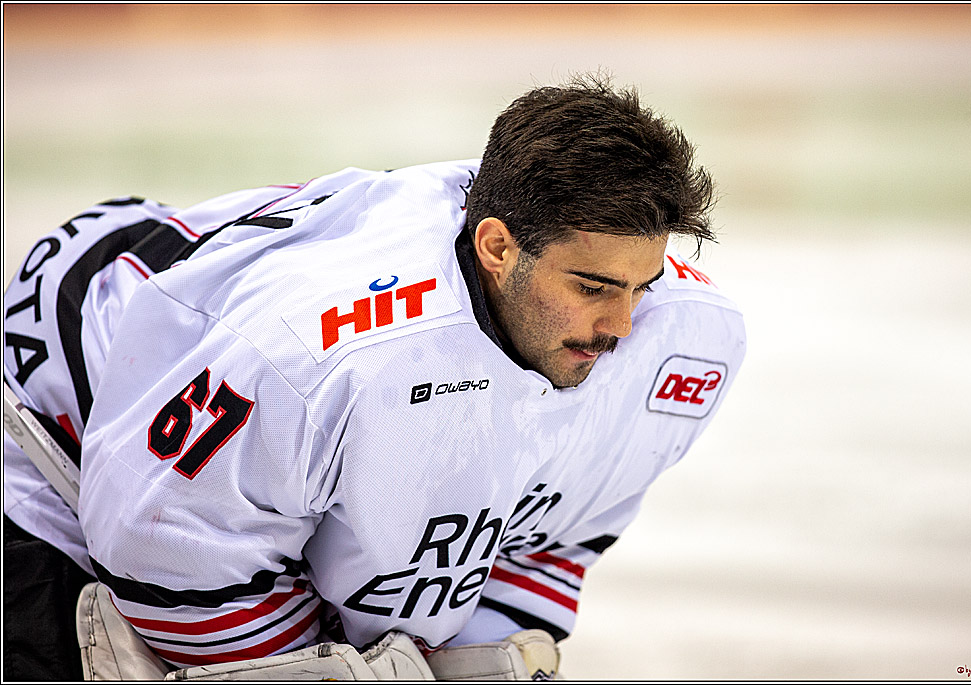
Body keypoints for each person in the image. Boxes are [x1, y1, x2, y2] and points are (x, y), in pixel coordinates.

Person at [3, 74, 746, 680]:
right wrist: (309, 665)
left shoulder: (684, 341)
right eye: (591, 287)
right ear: (496, 246)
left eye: (641, 285)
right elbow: (164, 543)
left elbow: (561, 527)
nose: (622, 326)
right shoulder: (311, 355)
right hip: (62, 415)